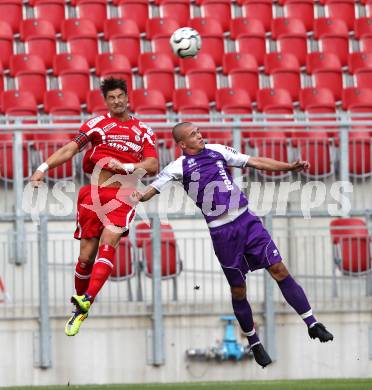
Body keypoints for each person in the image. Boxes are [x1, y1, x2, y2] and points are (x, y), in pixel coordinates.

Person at [131, 122, 334, 368]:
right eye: (193, 134)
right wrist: (140, 196)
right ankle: (254, 342)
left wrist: (289, 167)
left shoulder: (218, 150)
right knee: (239, 290)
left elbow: (255, 161)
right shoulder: (177, 167)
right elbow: (153, 188)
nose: (199, 135)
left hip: (247, 221)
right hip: (223, 233)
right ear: (183, 144)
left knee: (279, 269)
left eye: (198, 131)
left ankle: (312, 323)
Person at [30, 77, 158, 336]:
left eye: (120, 95)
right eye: (111, 97)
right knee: (85, 257)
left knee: (109, 241)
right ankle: (80, 307)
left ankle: (87, 298)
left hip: (124, 194)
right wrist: (42, 169)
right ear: (106, 101)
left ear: (127, 96)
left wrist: (127, 167)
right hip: (93, 196)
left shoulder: (143, 130)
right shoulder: (96, 125)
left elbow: (153, 164)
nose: (117, 101)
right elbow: (69, 149)